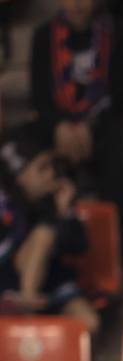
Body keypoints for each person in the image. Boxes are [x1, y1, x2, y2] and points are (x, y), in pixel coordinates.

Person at [29, 0, 123, 216]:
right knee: (25, 140)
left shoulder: (119, 35)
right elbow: (39, 97)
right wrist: (59, 125)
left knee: (121, 137)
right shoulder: (43, 36)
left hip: (103, 124)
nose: (77, 4)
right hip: (58, 124)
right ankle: (40, 226)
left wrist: (90, 126)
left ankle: (114, 227)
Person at [0, 126, 98, 332]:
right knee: (44, 234)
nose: (51, 173)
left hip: (52, 283)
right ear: (20, 176)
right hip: (9, 286)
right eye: (41, 169)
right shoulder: (6, 206)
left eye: (51, 166)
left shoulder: (56, 202)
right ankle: (27, 306)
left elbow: (79, 246)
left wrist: (64, 212)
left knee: (89, 325)